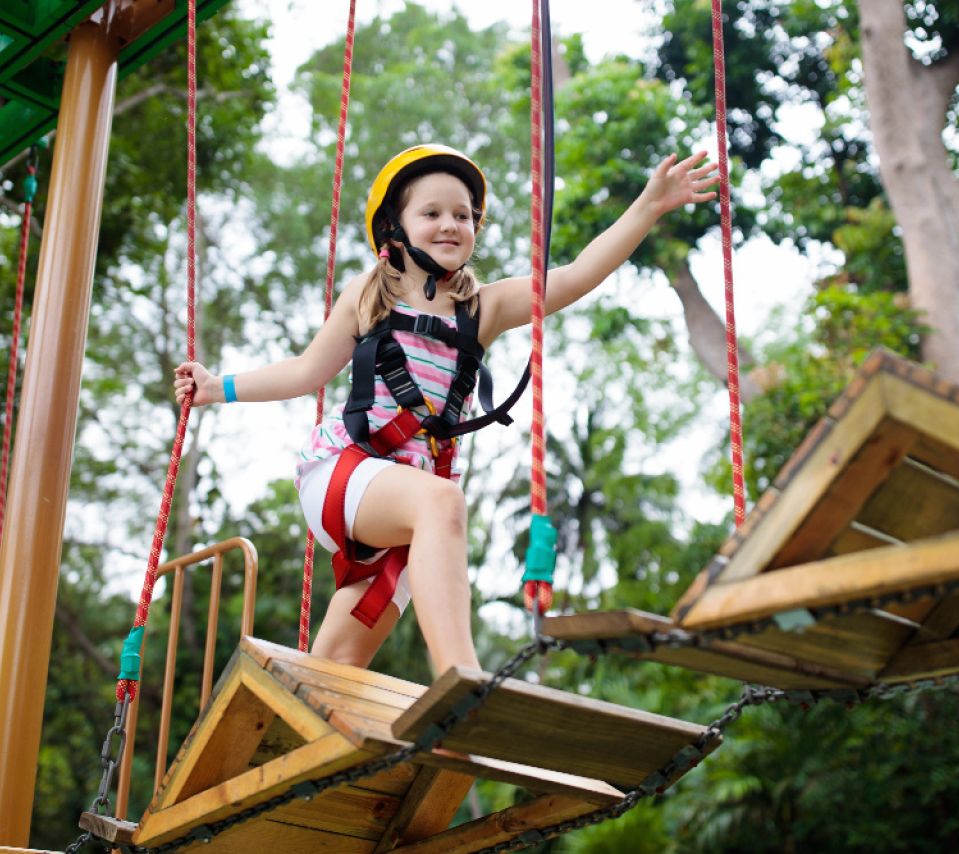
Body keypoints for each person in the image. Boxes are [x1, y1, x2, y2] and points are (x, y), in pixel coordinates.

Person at [175, 143, 718, 678]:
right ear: (396, 227)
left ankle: (295, 747)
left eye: (463, 215)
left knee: (336, 667)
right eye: (431, 213)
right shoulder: (370, 296)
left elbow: (575, 277)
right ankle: (463, 676)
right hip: (344, 476)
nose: (450, 225)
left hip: (411, 511)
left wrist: (647, 206)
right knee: (443, 501)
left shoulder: (483, 308)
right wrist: (215, 387)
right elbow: (304, 372)